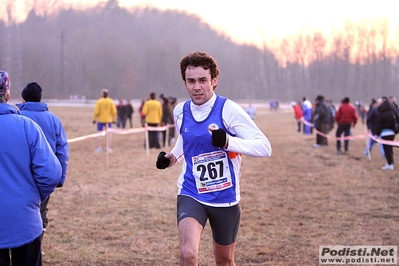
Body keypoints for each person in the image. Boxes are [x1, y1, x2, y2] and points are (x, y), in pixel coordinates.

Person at [155, 51, 272, 265]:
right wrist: (172, 158)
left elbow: (264, 147)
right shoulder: (180, 111)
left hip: (225, 198)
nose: (196, 86)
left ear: (214, 81)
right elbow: (184, 142)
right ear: (185, 83)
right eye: (191, 81)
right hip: (191, 192)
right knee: (188, 255)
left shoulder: (229, 110)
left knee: (224, 261)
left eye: (202, 80)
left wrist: (228, 142)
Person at [0, 71, 62, 266]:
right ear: (8, 95)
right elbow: (51, 174)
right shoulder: (27, 127)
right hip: (24, 221)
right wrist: (33, 197)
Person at [17, 82, 69, 252]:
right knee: (40, 211)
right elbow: (62, 149)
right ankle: (36, 247)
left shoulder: (18, 116)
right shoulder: (53, 119)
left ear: (23, 97)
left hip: (21, 175)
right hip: (45, 176)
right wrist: (60, 177)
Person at [375, 97, 399, 170]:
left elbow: (379, 125)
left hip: (385, 134)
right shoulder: (392, 113)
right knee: (390, 148)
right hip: (392, 133)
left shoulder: (381, 114)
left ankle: (390, 164)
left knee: (387, 150)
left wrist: (377, 134)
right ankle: (391, 162)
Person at [92, 88, 117, 152]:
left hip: (100, 120)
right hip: (108, 120)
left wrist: (94, 119)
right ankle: (108, 147)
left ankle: (99, 147)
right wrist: (114, 119)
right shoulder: (110, 101)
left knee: (99, 134)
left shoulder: (99, 101)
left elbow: (96, 112)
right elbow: (114, 112)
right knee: (109, 134)